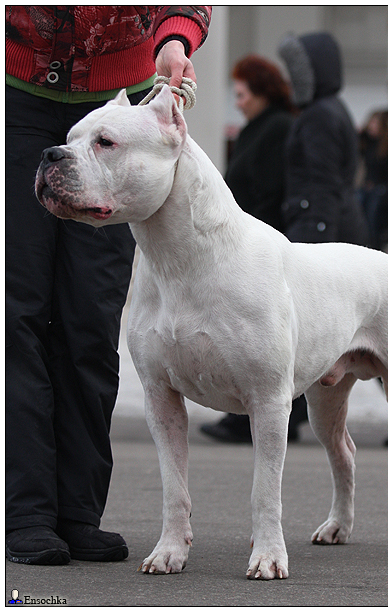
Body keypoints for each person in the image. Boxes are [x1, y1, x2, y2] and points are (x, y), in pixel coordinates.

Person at [6, 5, 211, 566]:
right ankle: (25, 512)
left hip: (118, 104)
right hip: (15, 93)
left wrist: (175, 42)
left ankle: (77, 512)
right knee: (16, 314)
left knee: (91, 321)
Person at [200, 55, 308, 443]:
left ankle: (258, 415)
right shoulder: (259, 127)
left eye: (243, 94)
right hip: (250, 238)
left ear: (262, 92)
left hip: (261, 242)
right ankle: (256, 415)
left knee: (266, 335)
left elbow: (270, 189)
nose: (238, 101)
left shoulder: (276, 128)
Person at [278, 32, 368, 246]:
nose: (290, 80)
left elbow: (324, 182)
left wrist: (319, 237)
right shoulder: (332, 108)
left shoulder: (319, 116)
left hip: (317, 226)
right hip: (327, 222)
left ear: (309, 73)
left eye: (295, 72)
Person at [358, 110, 388, 250]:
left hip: (379, 188)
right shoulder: (365, 142)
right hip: (364, 186)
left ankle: (375, 247)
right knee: (362, 220)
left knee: (374, 221)